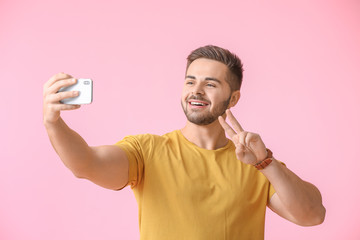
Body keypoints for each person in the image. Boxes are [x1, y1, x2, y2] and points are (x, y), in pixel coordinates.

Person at [43, 45, 326, 240]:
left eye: (211, 84)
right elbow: (86, 164)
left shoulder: (254, 161)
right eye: (190, 81)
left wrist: (267, 163)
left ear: (234, 98)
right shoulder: (147, 151)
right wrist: (53, 123)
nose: (197, 91)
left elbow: (312, 215)